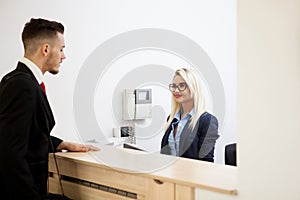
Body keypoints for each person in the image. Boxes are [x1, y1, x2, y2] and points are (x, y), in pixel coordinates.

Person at [0, 18, 99, 199]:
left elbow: (23, 134)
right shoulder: (22, 86)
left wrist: (60, 144)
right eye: (61, 49)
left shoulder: (17, 79)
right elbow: (10, 154)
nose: (64, 56)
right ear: (46, 49)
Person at [160, 68, 219, 162]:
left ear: (193, 88)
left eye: (182, 85)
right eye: (174, 86)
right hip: (169, 175)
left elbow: (207, 162)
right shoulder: (172, 119)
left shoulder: (207, 120)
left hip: (191, 176)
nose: (176, 90)